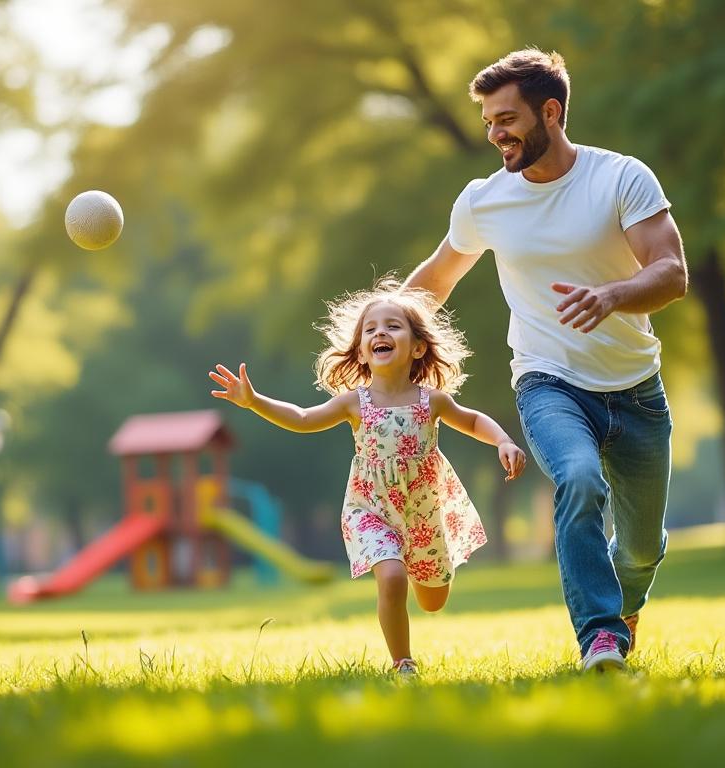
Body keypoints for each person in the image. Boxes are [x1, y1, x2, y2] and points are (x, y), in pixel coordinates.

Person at [404, 49, 688, 672]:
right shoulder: (485, 201)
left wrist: (613, 295)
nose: (495, 133)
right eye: (487, 122)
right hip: (548, 381)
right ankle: (600, 637)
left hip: (636, 387)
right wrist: (376, 325)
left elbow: (672, 273)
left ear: (550, 111)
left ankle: (622, 605)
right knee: (579, 479)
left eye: (506, 118)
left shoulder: (621, 178)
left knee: (641, 551)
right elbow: (437, 278)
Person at [208, 279, 527, 677]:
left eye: (393, 326)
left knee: (433, 601)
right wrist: (255, 401)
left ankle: (418, 574)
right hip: (370, 507)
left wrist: (503, 441)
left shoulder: (432, 401)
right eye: (371, 329)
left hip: (424, 510)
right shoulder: (355, 403)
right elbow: (303, 419)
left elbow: (473, 419)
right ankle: (403, 662)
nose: (380, 332)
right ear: (361, 350)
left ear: (417, 347)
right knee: (392, 577)